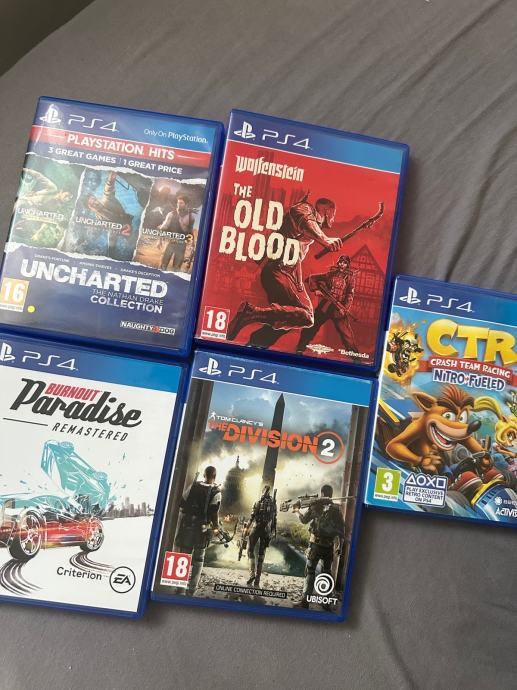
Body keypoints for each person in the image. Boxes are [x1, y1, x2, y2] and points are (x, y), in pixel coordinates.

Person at [226, 195, 343, 348]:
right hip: (279, 269)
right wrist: (325, 240)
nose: (333, 219)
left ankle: (255, 343)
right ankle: (250, 314)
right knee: (305, 316)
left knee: (290, 317)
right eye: (333, 214)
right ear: (327, 211)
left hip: (289, 272)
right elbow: (305, 222)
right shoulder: (304, 209)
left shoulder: (313, 226)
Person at [292, 484, 345, 609]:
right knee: (326, 573)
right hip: (329, 547)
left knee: (310, 571)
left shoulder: (316, 505)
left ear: (322, 494)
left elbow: (304, 520)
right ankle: (326, 602)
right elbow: (341, 530)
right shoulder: (336, 510)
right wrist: (340, 546)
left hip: (315, 545)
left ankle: (305, 601)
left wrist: (297, 511)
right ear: (331, 494)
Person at [173, 465, 221, 595]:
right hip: (202, 530)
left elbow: (182, 503)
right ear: (214, 476)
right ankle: (192, 590)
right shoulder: (216, 492)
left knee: (183, 557)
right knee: (199, 559)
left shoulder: (193, 486)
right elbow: (214, 512)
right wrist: (216, 526)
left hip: (188, 526)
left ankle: (180, 589)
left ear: (204, 475)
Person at [296, 255, 358, 355]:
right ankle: (300, 349)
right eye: (341, 262)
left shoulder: (350, 278)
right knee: (311, 327)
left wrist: (345, 308)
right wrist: (316, 289)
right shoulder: (330, 274)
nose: (342, 264)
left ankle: (356, 357)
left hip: (339, 308)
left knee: (347, 335)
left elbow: (350, 294)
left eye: (344, 263)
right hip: (326, 305)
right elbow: (313, 278)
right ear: (338, 263)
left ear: (347, 265)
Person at [246, 485, 277, 587]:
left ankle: (252, 574)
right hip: (266, 530)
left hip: (257, 528)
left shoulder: (258, 502)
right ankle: (257, 579)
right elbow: (274, 519)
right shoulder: (272, 503)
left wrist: (247, 527)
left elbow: (252, 516)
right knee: (261, 554)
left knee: (250, 550)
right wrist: (273, 532)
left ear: (263, 491)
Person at [158, 193, 195, 270]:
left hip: (182, 244)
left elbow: (190, 231)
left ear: (186, 204)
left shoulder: (190, 217)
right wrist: (159, 240)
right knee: (163, 265)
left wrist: (192, 244)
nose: (178, 204)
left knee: (176, 268)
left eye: (181, 203)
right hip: (170, 242)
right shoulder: (171, 214)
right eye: (178, 203)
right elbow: (163, 228)